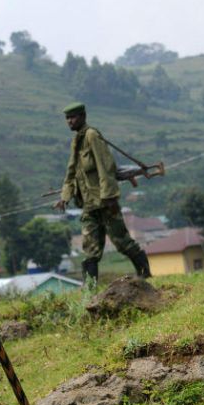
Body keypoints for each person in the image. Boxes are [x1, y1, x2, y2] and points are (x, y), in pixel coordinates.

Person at [53, 102, 151, 281]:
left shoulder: (92, 136)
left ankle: (145, 274)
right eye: (67, 118)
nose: (70, 121)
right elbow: (71, 173)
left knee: (121, 241)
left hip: (105, 202)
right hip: (89, 206)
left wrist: (110, 198)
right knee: (90, 248)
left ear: (83, 116)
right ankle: (90, 291)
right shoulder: (77, 141)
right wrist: (64, 197)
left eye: (73, 117)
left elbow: (106, 167)